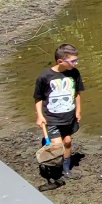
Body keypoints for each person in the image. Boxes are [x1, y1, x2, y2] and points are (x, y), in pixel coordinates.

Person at [34, 43, 84, 177]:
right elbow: (38, 98)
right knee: (57, 146)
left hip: (69, 116)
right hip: (52, 118)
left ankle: (66, 168)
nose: (76, 63)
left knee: (67, 141)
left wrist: (78, 111)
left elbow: (77, 93)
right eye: (73, 61)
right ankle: (53, 165)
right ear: (60, 61)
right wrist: (39, 115)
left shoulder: (74, 73)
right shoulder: (45, 77)